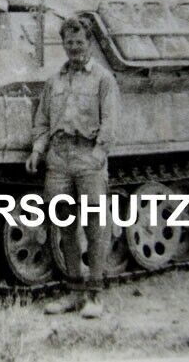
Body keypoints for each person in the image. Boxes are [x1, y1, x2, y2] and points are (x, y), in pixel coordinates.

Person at [26, 16, 120, 319]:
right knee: (64, 228)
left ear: (89, 43)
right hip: (59, 159)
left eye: (80, 42)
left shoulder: (103, 79)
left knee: (95, 228)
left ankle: (95, 295)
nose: (75, 47)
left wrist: (98, 153)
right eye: (69, 43)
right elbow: (42, 120)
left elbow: (111, 120)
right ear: (63, 45)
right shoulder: (55, 80)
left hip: (87, 157)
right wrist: (38, 149)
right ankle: (73, 292)